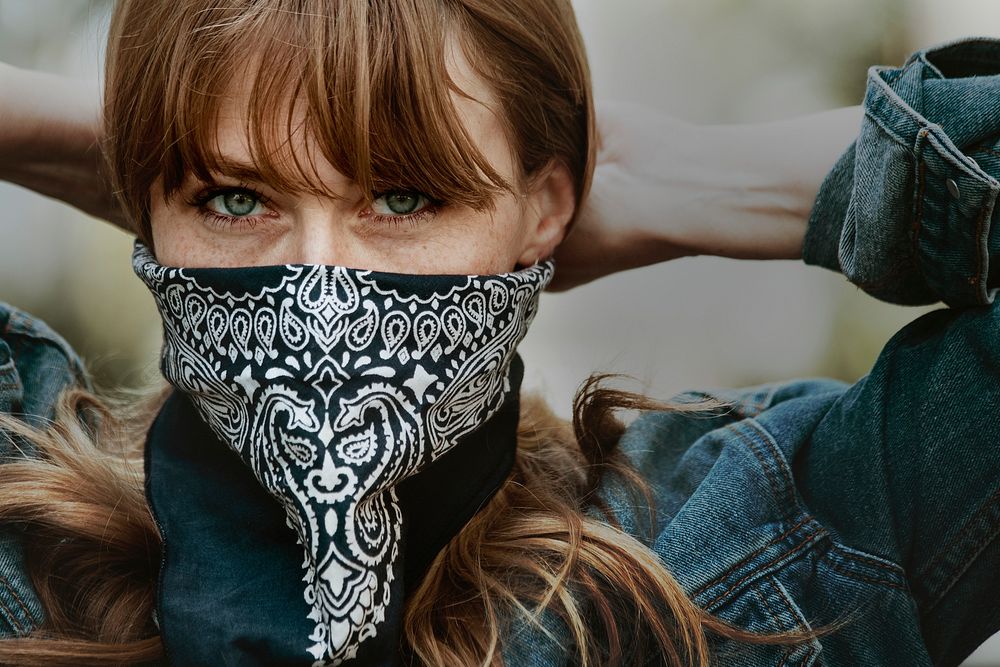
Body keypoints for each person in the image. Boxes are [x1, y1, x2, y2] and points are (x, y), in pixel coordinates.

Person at [0, 1, 999, 666]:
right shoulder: (25, 540)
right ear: (145, 207)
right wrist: (109, 128)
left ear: (545, 206)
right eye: (229, 197)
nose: (316, 288)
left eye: (402, 195)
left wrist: (691, 181)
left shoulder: (755, 543)